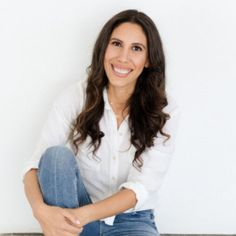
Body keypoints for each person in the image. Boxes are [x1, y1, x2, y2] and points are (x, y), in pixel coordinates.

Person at [23, 9, 179, 236]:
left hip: (130, 221)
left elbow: (140, 188)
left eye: (136, 48)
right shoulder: (75, 96)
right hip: (75, 217)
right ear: (104, 48)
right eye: (116, 44)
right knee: (55, 157)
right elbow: (33, 166)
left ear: (148, 60)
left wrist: (79, 217)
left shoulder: (165, 109)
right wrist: (41, 212)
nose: (123, 57)